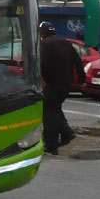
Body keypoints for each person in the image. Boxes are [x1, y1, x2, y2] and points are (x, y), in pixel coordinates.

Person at [40, 21, 83, 155]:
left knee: (48, 113)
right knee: (55, 108)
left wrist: (42, 78)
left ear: (43, 33)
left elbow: (42, 64)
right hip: (66, 84)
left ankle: (51, 145)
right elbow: (78, 61)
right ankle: (67, 133)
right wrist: (82, 79)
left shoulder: (45, 44)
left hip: (53, 83)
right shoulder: (65, 42)